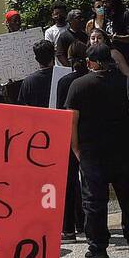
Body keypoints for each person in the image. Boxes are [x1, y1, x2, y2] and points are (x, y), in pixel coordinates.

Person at [66, 43, 129, 258]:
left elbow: (72, 122)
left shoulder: (78, 85)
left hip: (91, 151)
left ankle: (98, 248)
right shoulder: (124, 83)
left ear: (91, 63)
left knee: (94, 202)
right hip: (121, 147)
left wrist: (76, 148)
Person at [55, 41, 89, 241]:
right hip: (88, 134)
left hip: (68, 135)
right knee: (90, 181)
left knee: (68, 183)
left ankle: (69, 228)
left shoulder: (64, 82)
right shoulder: (90, 78)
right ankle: (87, 223)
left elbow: (60, 110)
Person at [16, 39, 61, 108]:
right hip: (61, 117)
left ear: (36, 59)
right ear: (54, 55)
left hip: (38, 118)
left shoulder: (28, 82)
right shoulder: (64, 75)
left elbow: (23, 106)